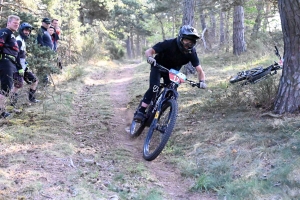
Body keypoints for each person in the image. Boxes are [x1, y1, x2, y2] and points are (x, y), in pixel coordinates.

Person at [134, 25, 207, 122]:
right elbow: (149, 51)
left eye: (192, 42)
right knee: (155, 87)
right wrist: (150, 58)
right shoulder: (168, 44)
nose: (188, 44)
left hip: (172, 72)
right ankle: (141, 111)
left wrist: (202, 81)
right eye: (186, 40)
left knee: (172, 94)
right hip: (158, 67)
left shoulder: (191, 53)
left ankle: (157, 114)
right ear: (180, 38)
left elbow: (199, 70)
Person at [11, 22, 40, 106]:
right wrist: (19, 67)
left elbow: (22, 56)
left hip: (23, 67)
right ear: (21, 30)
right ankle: (12, 105)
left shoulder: (22, 40)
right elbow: (15, 55)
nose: (27, 32)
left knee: (34, 80)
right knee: (17, 85)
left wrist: (25, 64)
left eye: (29, 31)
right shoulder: (18, 40)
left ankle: (32, 99)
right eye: (26, 30)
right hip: (17, 67)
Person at [0, 15, 21, 118]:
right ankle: (1, 112)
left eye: (18, 24)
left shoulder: (12, 35)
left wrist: (19, 66)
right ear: (8, 23)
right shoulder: (5, 32)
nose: (17, 25)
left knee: (7, 87)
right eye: (14, 23)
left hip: (10, 63)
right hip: (5, 62)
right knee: (5, 88)